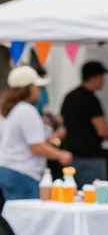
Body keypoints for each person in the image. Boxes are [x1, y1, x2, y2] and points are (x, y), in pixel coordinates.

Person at [0, 65, 71, 199]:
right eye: (38, 87)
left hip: (6, 170)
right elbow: (36, 146)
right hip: (23, 173)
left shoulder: (6, 110)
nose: (40, 91)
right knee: (26, 217)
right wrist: (60, 155)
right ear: (29, 88)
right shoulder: (26, 110)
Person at [59, 60, 108, 186]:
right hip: (91, 156)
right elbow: (102, 130)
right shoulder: (90, 100)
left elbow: (62, 125)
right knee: (93, 197)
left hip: (71, 155)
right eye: (102, 77)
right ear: (95, 77)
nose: (103, 81)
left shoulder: (70, 96)